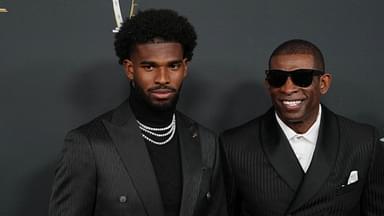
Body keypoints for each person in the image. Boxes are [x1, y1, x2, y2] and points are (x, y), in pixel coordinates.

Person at [49, 9, 227, 216]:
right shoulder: (87, 144)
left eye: (173, 66)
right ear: (130, 69)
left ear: (185, 68)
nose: (162, 78)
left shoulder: (207, 142)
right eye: (149, 67)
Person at [220, 39, 384, 216]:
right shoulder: (234, 146)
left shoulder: (363, 141)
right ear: (268, 84)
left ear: (323, 83)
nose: (288, 88)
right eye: (278, 78)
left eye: (302, 78)